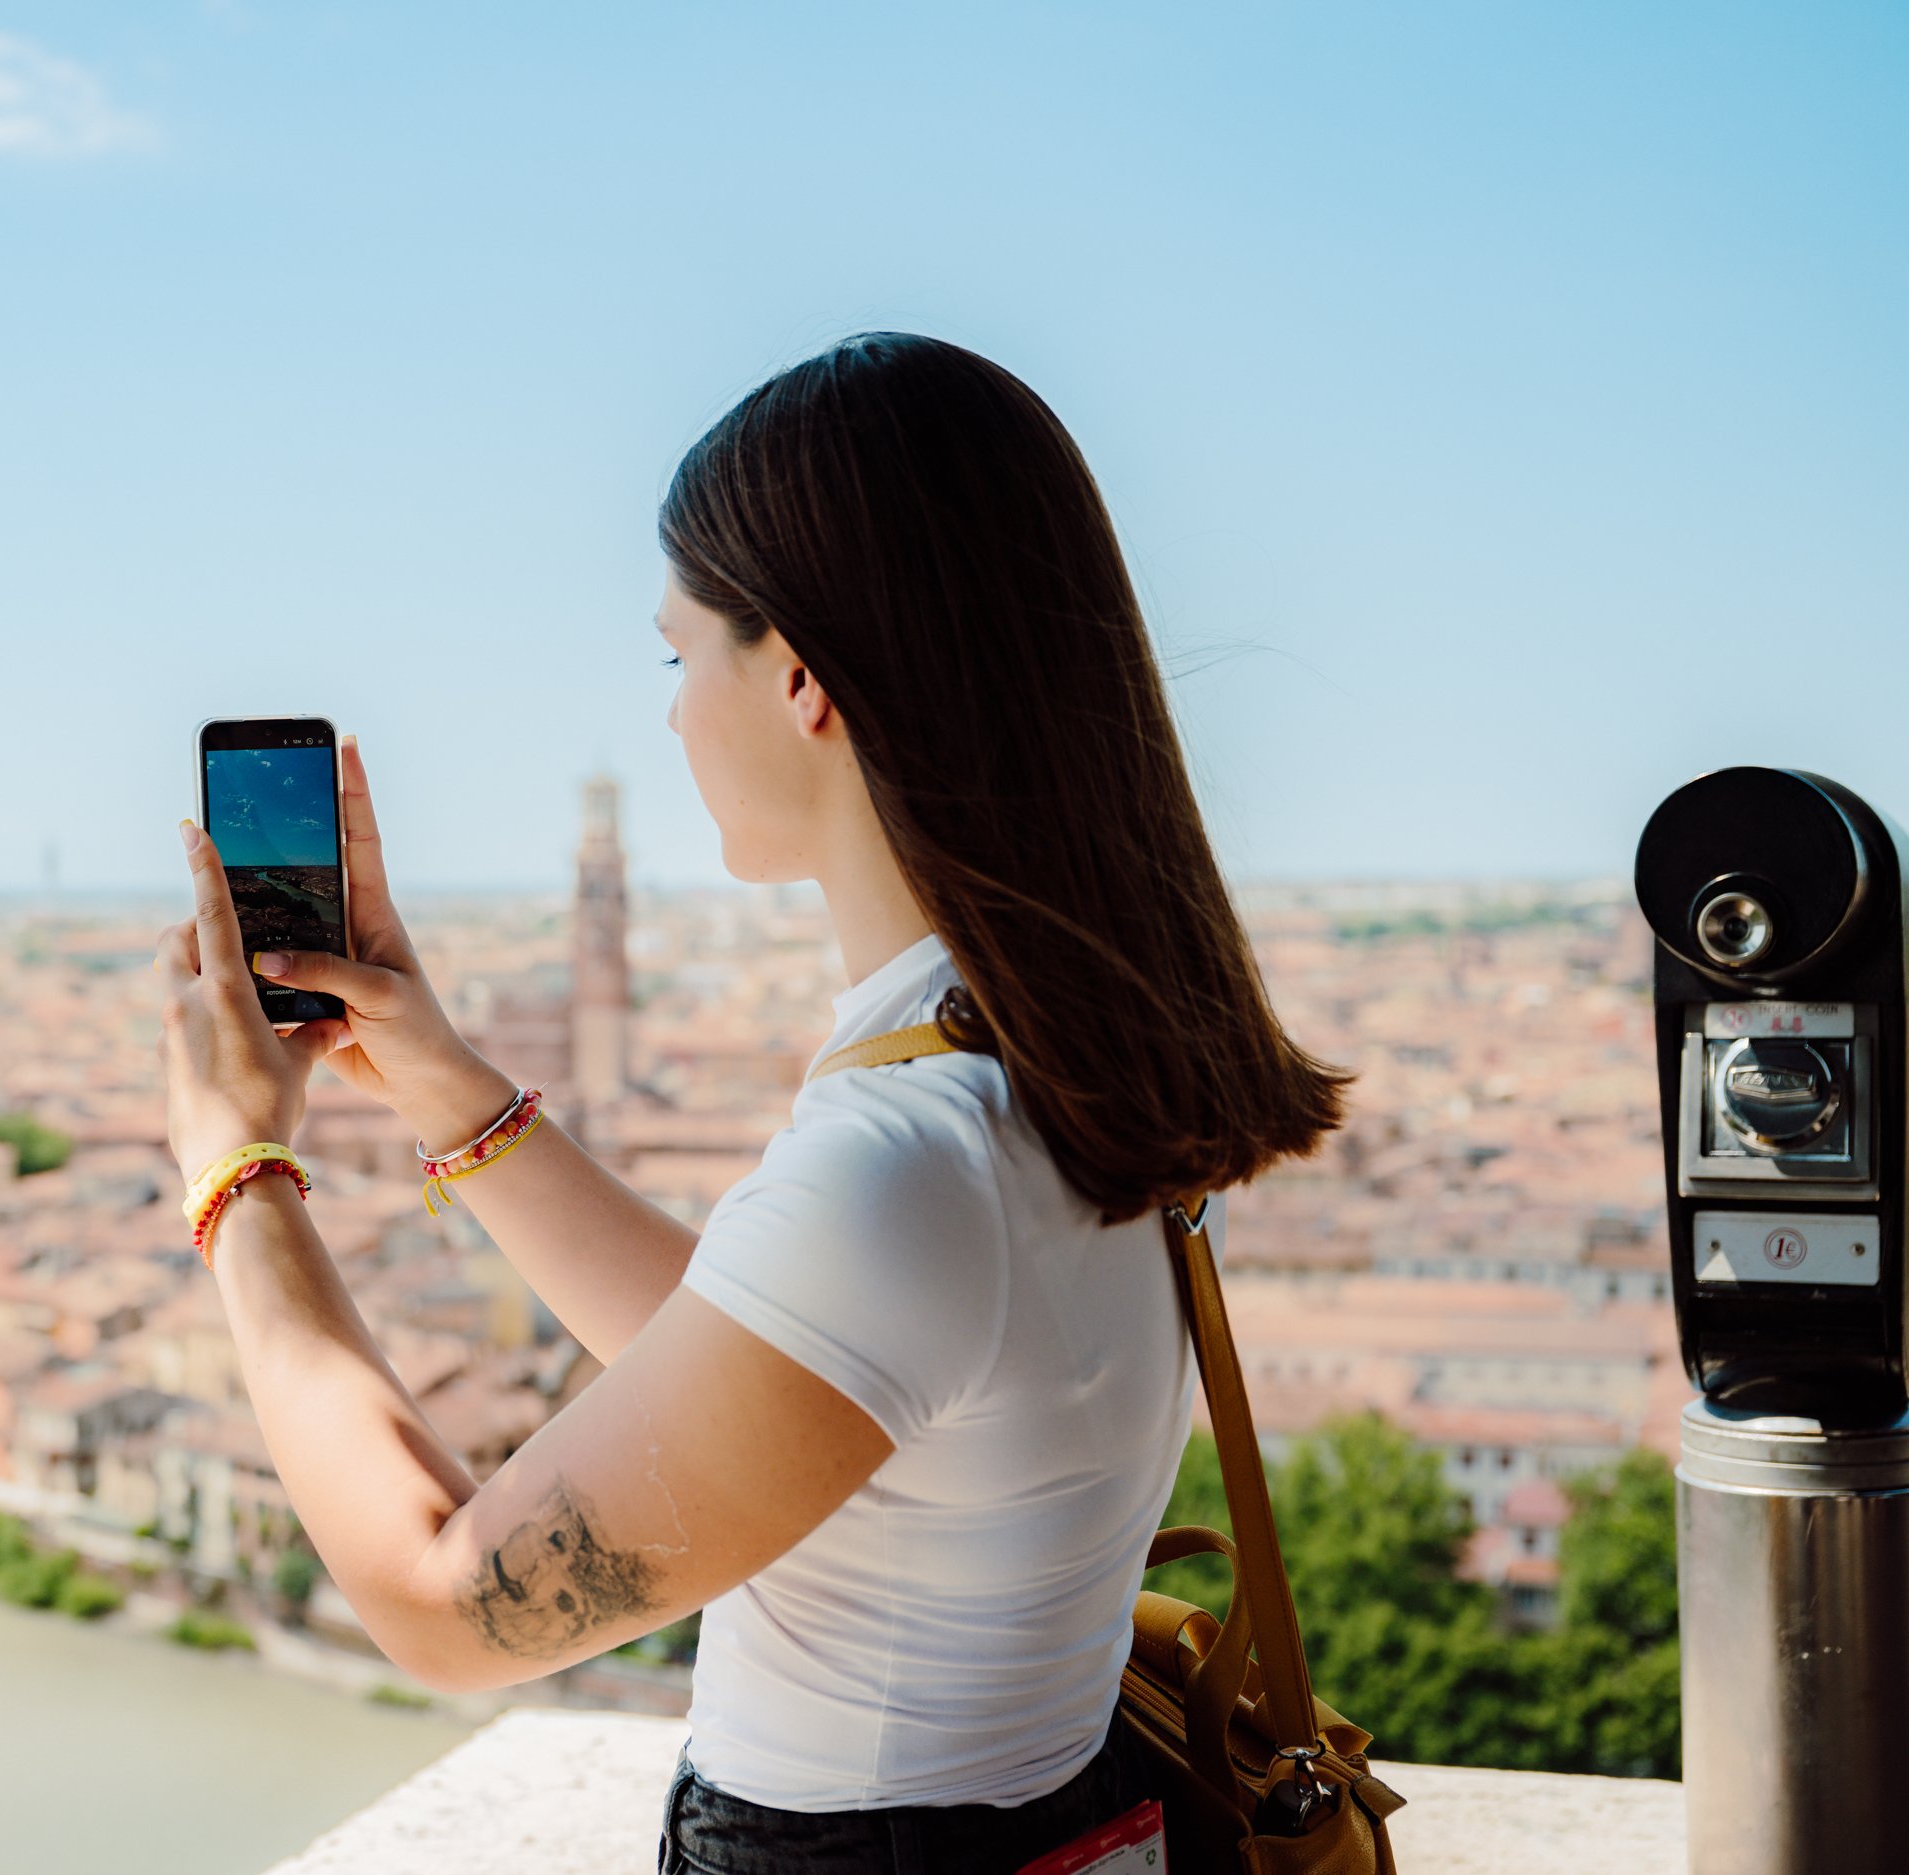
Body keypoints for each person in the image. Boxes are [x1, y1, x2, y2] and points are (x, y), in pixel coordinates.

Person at [151, 333, 1348, 1873]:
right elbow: (770, 1375)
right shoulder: (1039, 1066)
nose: (669, 718)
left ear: (799, 679)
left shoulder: (908, 1163)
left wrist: (237, 1176)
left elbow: (447, 1608)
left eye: (677, 657)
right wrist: (447, 1084)